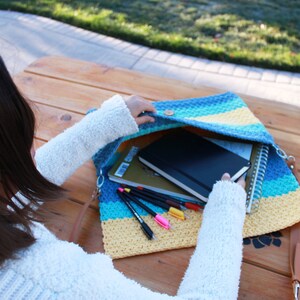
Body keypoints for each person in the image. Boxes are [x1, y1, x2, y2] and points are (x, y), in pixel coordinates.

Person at [0, 55, 246, 300]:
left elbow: (20, 183)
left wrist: (104, 125)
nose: (33, 151)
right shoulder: (50, 282)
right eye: (26, 141)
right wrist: (226, 211)